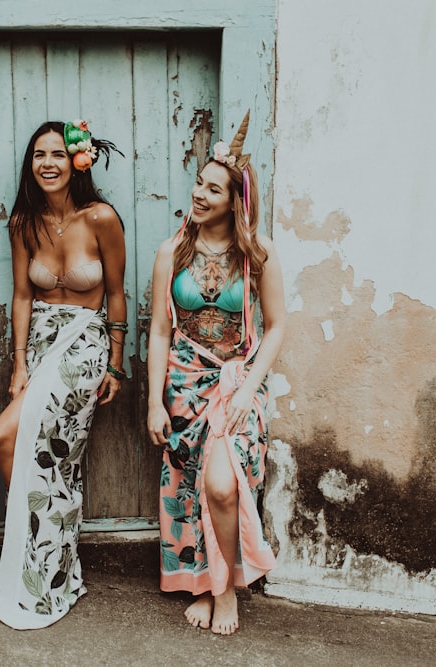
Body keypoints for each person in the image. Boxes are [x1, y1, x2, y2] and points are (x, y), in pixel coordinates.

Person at [146, 110, 286, 636]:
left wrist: (250, 389)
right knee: (189, 488)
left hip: (235, 385)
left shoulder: (258, 254)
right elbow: (160, 329)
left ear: (234, 200)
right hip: (183, 384)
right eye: (198, 184)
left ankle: (227, 593)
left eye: (213, 189)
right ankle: (205, 585)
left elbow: (276, 327)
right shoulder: (171, 252)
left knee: (223, 485)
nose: (199, 195)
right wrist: (154, 401)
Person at [0, 120, 127, 629]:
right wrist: (19, 362)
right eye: (38, 155)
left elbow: (116, 292)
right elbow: (23, 294)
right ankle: (51, 560)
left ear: (77, 161)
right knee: (30, 454)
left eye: (57, 154)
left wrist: (115, 361)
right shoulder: (24, 221)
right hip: (42, 344)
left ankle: (49, 562)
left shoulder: (102, 219)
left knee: (16, 439)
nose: (47, 163)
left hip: (86, 345)